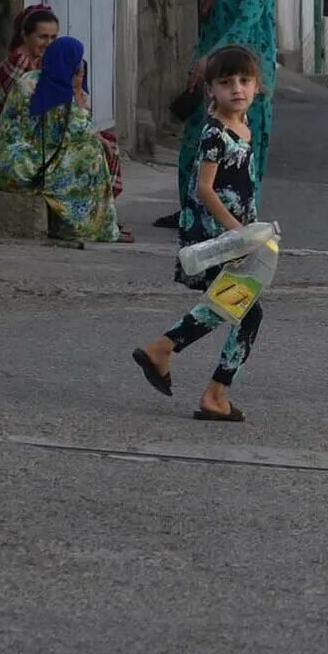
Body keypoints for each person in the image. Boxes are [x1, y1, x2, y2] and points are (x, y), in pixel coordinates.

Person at [133, 46, 265, 422]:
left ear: (256, 87)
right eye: (226, 83)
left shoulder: (244, 129)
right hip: (213, 239)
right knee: (243, 309)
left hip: (234, 237)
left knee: (230, 306)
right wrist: (236, 230)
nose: (236, 89)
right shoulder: (215, 135)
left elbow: (243, 186)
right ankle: (209, 389)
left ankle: (169, 353)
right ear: (210, 90)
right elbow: (205, 190)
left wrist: (253, 228)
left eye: (244, 81)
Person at [175, 0, 277, 229]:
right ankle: (191, 211)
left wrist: (212, 58)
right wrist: (199, 61)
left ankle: (242, 218)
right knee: (198, 137)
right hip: (211, 67)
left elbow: (247, 17)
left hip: (243, 68)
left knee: (243, 147)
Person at [0, 35, 125, 243]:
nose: (80, 74)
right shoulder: (61, 97)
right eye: (78, 68)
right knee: (92, 152)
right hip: (23, 172)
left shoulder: (30, 79)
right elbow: (81, 131)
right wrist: (80, 103)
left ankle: (94, 219)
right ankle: (82, 225)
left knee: (87, 147)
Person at [0, 4, 124, 202]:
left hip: (35, 135)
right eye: (42, 37)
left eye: (53, 38)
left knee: (104, 142)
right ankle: (90, 212)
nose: (48, 43)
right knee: (93, 149)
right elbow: (37, 115)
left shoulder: (43, 63)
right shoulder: (22, 63)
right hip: (23, 142)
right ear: (25, 35)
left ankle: (102, 209)